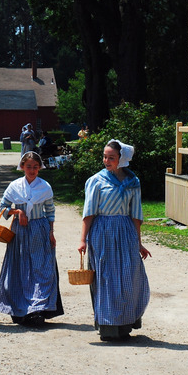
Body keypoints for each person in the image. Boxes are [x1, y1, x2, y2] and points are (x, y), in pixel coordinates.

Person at [77, 139, 151, 341]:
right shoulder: (96, 181)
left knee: (128, 276)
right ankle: (108, 327)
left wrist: (139, 243)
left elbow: (135, 214)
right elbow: (89, 213)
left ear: (122, 159)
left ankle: (125, 324)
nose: (106, 161)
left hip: (125, 232)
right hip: (103, 233)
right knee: (106, 278)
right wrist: (83, 239)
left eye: (111, 157)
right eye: (105, 156)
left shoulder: (132, 182)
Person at [0, 151, 64, 326]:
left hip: (39, 229)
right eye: (28, 167)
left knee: (41, 268)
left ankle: (38, 308)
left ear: (39, 168)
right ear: (22, 167)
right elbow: (3, 207)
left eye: (35, 167)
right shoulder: (15, 186)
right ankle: (20, 309)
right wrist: (17, 211)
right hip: (20, 232)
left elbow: (50, 211)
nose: (32, 170)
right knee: (20, 268)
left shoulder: (45, 187)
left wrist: (51, 232)